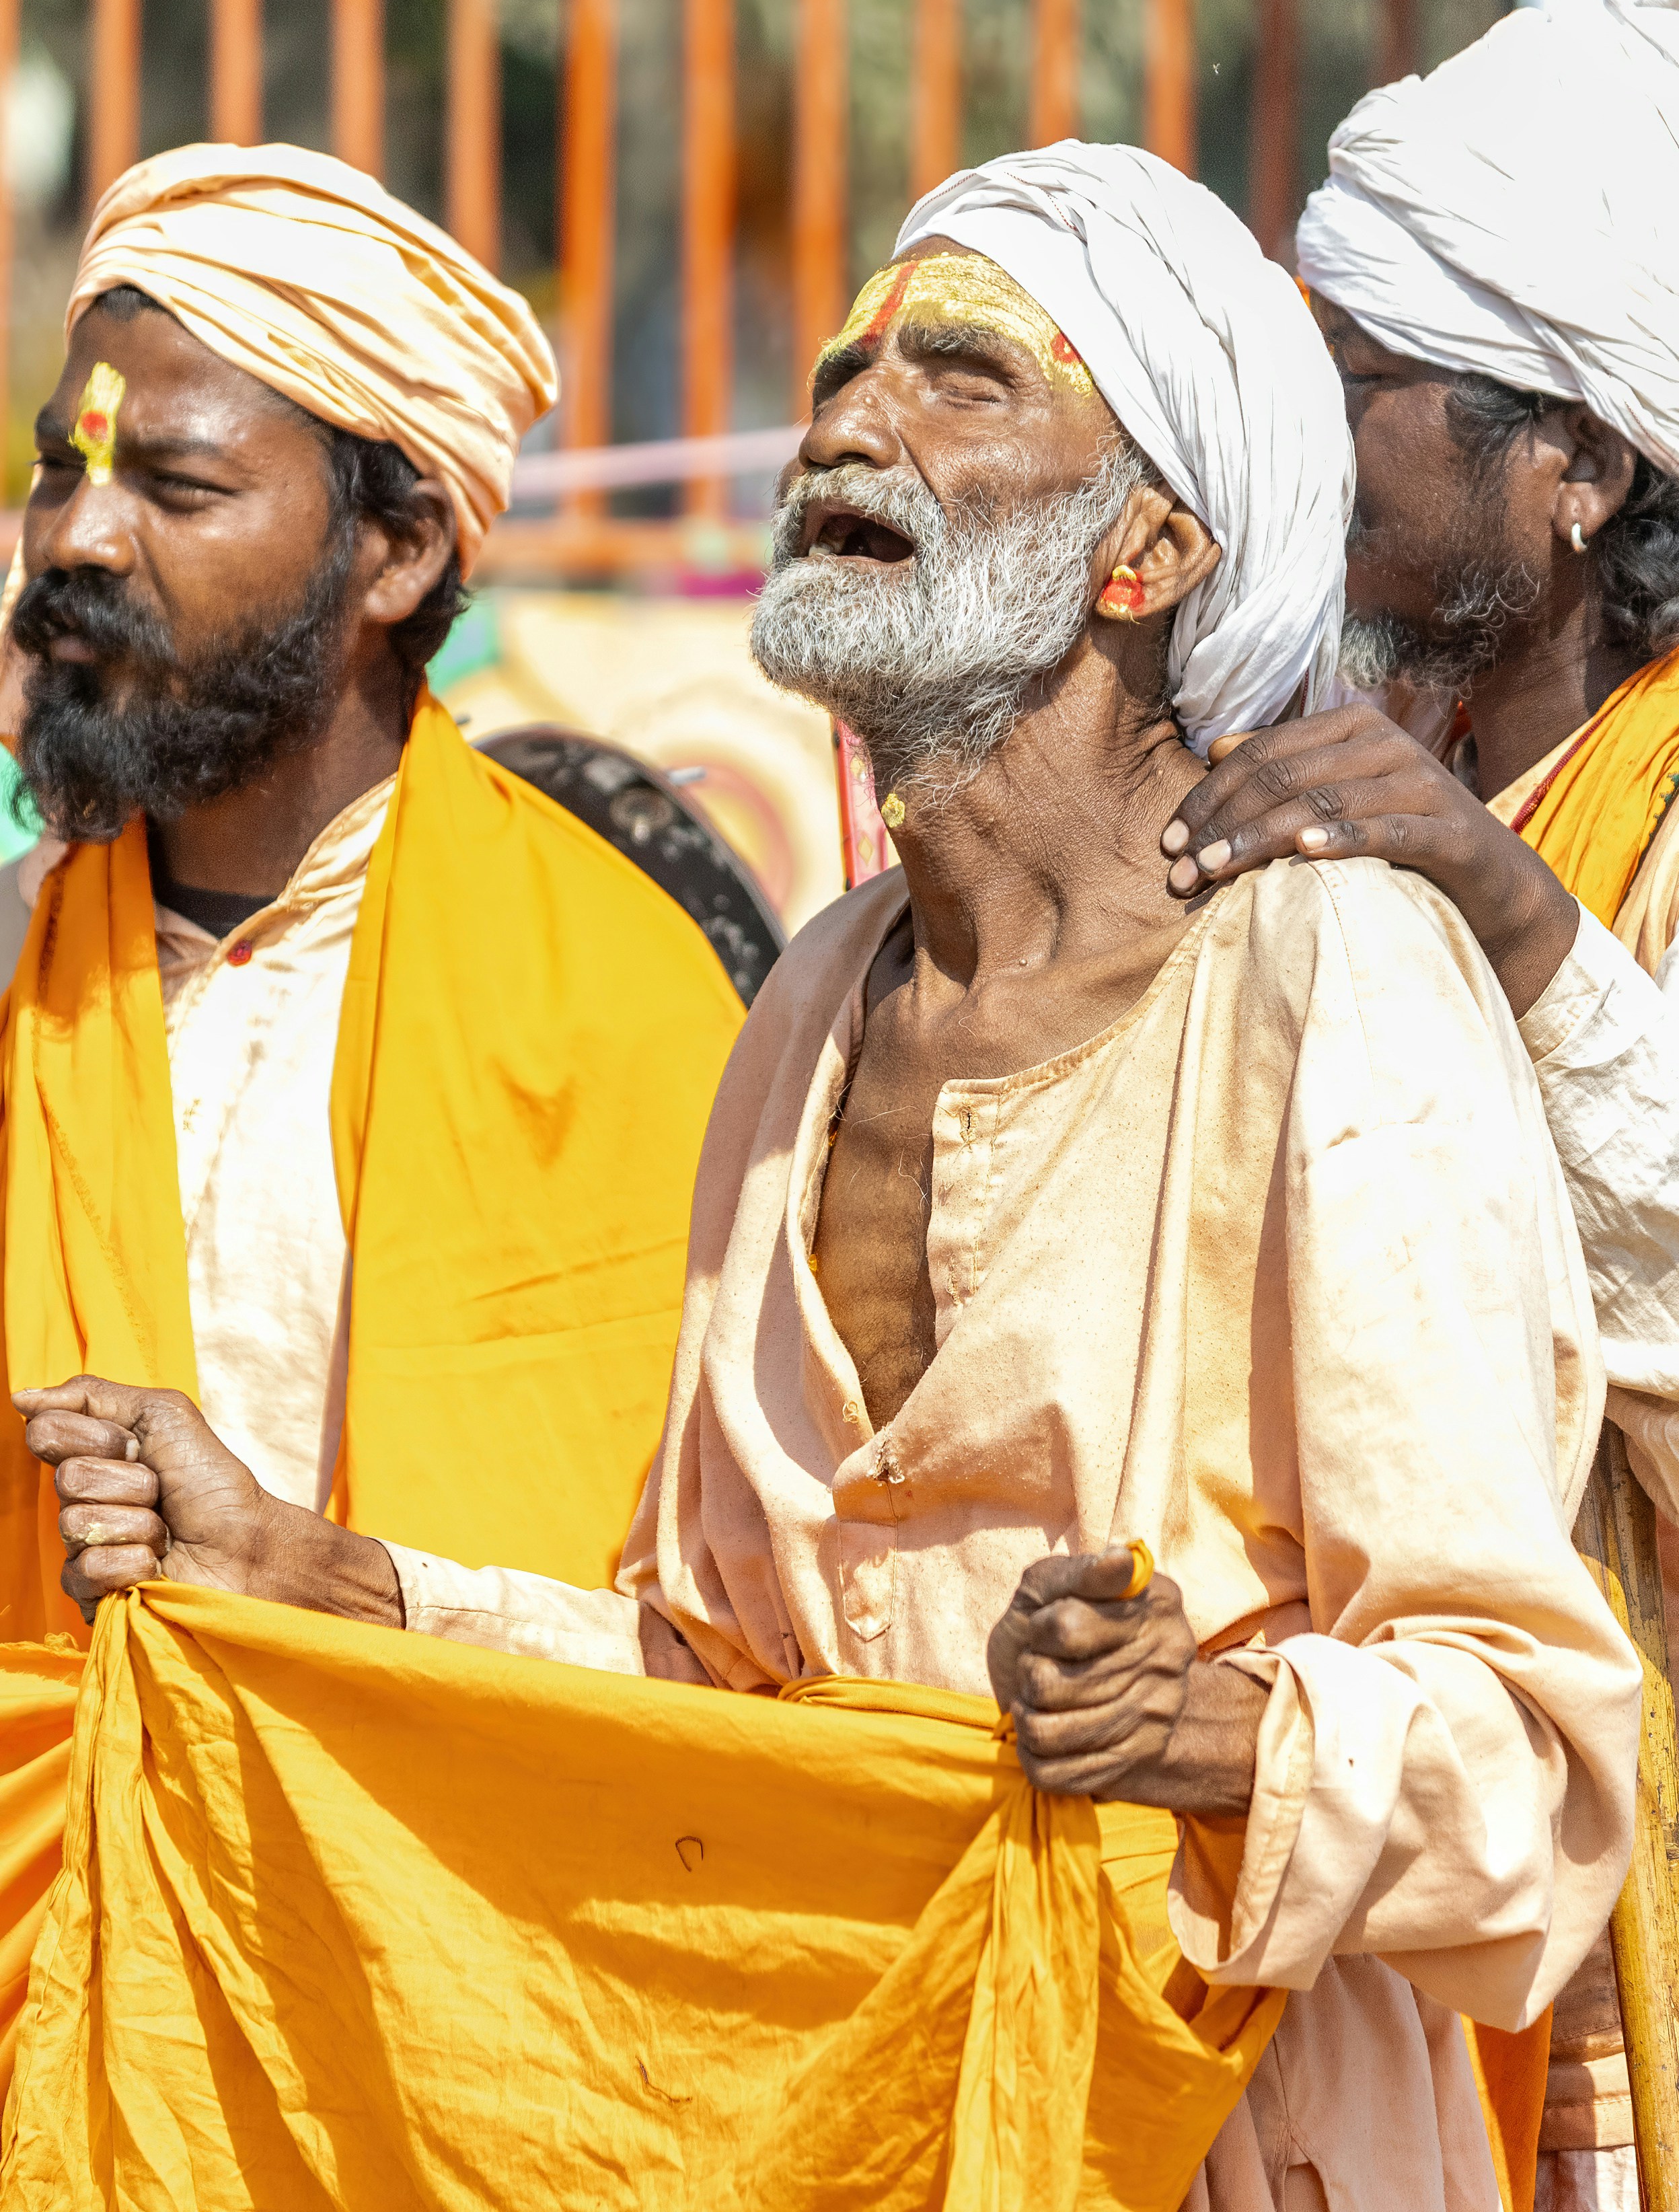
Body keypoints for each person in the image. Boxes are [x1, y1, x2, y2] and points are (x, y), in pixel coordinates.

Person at [22, 145, 1642, 2211]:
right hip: (866, 2130)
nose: (851, 418)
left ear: (1147, 548)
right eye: (848, 369)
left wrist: (1209, 1738)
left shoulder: (1334, 977)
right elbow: (716, 1681)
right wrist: (321, 1574)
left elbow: (1542, 1765)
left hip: (1235, 2136)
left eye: (963, 380)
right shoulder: (807, 1006)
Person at [0, 143, 744, 2068]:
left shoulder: (636, 1014)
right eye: (57, 471)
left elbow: (729, 1661)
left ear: (395, 554)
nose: (75, 539)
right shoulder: (12, 966)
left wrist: (322, 1585)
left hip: (447, 2052)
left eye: (170, 485)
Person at [1156, 0, 1679, 2211]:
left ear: (1580, 467)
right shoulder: (1378, 784)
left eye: (1359, 390)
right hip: (1405, 1873)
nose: (1310, 447)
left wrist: (1515, 919)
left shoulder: (1614, 823)